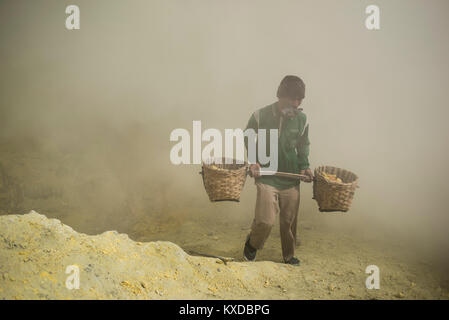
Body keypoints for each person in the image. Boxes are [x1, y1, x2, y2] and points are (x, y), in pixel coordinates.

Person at [243, 75, 314, 266]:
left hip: (291, 178)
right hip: (266, 176)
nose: (297, 103)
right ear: (281, 96)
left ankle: (288, 256)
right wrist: (254, 161)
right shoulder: (260, 115)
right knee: (265, 220)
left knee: (289, 222)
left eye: (300, 100)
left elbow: (303, 144)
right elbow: (248, 136)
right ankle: (252, 244)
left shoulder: (302, 119)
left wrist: (305, 166)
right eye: (293, 98)